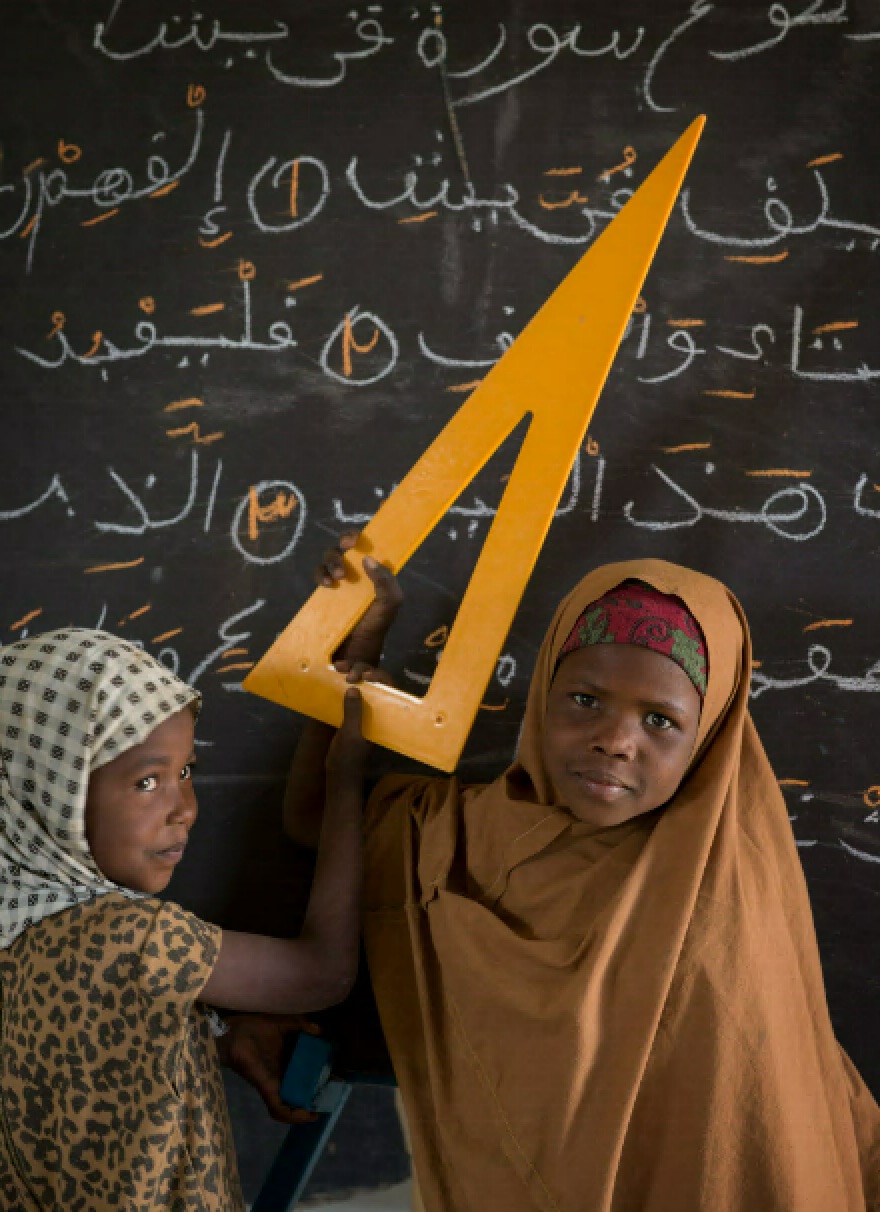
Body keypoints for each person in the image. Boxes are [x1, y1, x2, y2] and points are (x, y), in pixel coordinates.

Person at [286, 543, 880, 1212]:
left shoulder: (725, 908)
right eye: (585, 699)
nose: (615, 740)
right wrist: (357, 648)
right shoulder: (458, 835)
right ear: (544, 690)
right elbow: (315, 820)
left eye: (660, 720)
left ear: (709, 734)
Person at [0, 567, 398, 1212]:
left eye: (187, 771)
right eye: (147, 782)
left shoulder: (17, 927)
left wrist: (210, 1034)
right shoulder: (132, 938)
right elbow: (322, 973)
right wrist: (346, 779)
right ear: (52, 789)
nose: (184, 808)